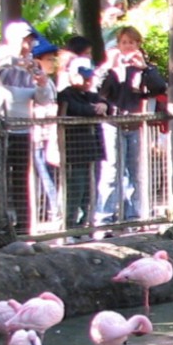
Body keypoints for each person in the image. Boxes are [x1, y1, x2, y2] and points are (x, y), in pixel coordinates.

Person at [95, 26, 168, 225]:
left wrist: (145, 68)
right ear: (118, 45)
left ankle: (134, 216)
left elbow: (159, 88)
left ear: (138, 45)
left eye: (132, 43)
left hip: (135, 124)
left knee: (136, 172)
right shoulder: (111, 69)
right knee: (111, 171)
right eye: (124, 43)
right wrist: (109, 67)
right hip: (113, 123)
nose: (128, 47)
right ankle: (104, 218)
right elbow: (98, 89)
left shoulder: (144, 69)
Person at [0, 32, 60, 234]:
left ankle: (23, 226)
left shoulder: (33, 68)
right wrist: (16, 61)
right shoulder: (2, 60)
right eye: (24, 40)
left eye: (30, 41)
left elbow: (44, 99)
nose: (27, 45)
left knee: (20, 180)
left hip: (23, 130)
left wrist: (42, 84)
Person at [55, 49, 106, 228]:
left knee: (90, 192)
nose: (87, 81)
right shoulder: (65, 95)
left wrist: (102, 105)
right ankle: (68, 225)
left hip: (93, 152)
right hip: (75, 153)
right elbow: (78, 109)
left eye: (89, 77)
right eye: (83, 76)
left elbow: (105, 105)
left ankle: (86, 224)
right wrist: (95, 109)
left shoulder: (92, 95)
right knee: (75, 189)